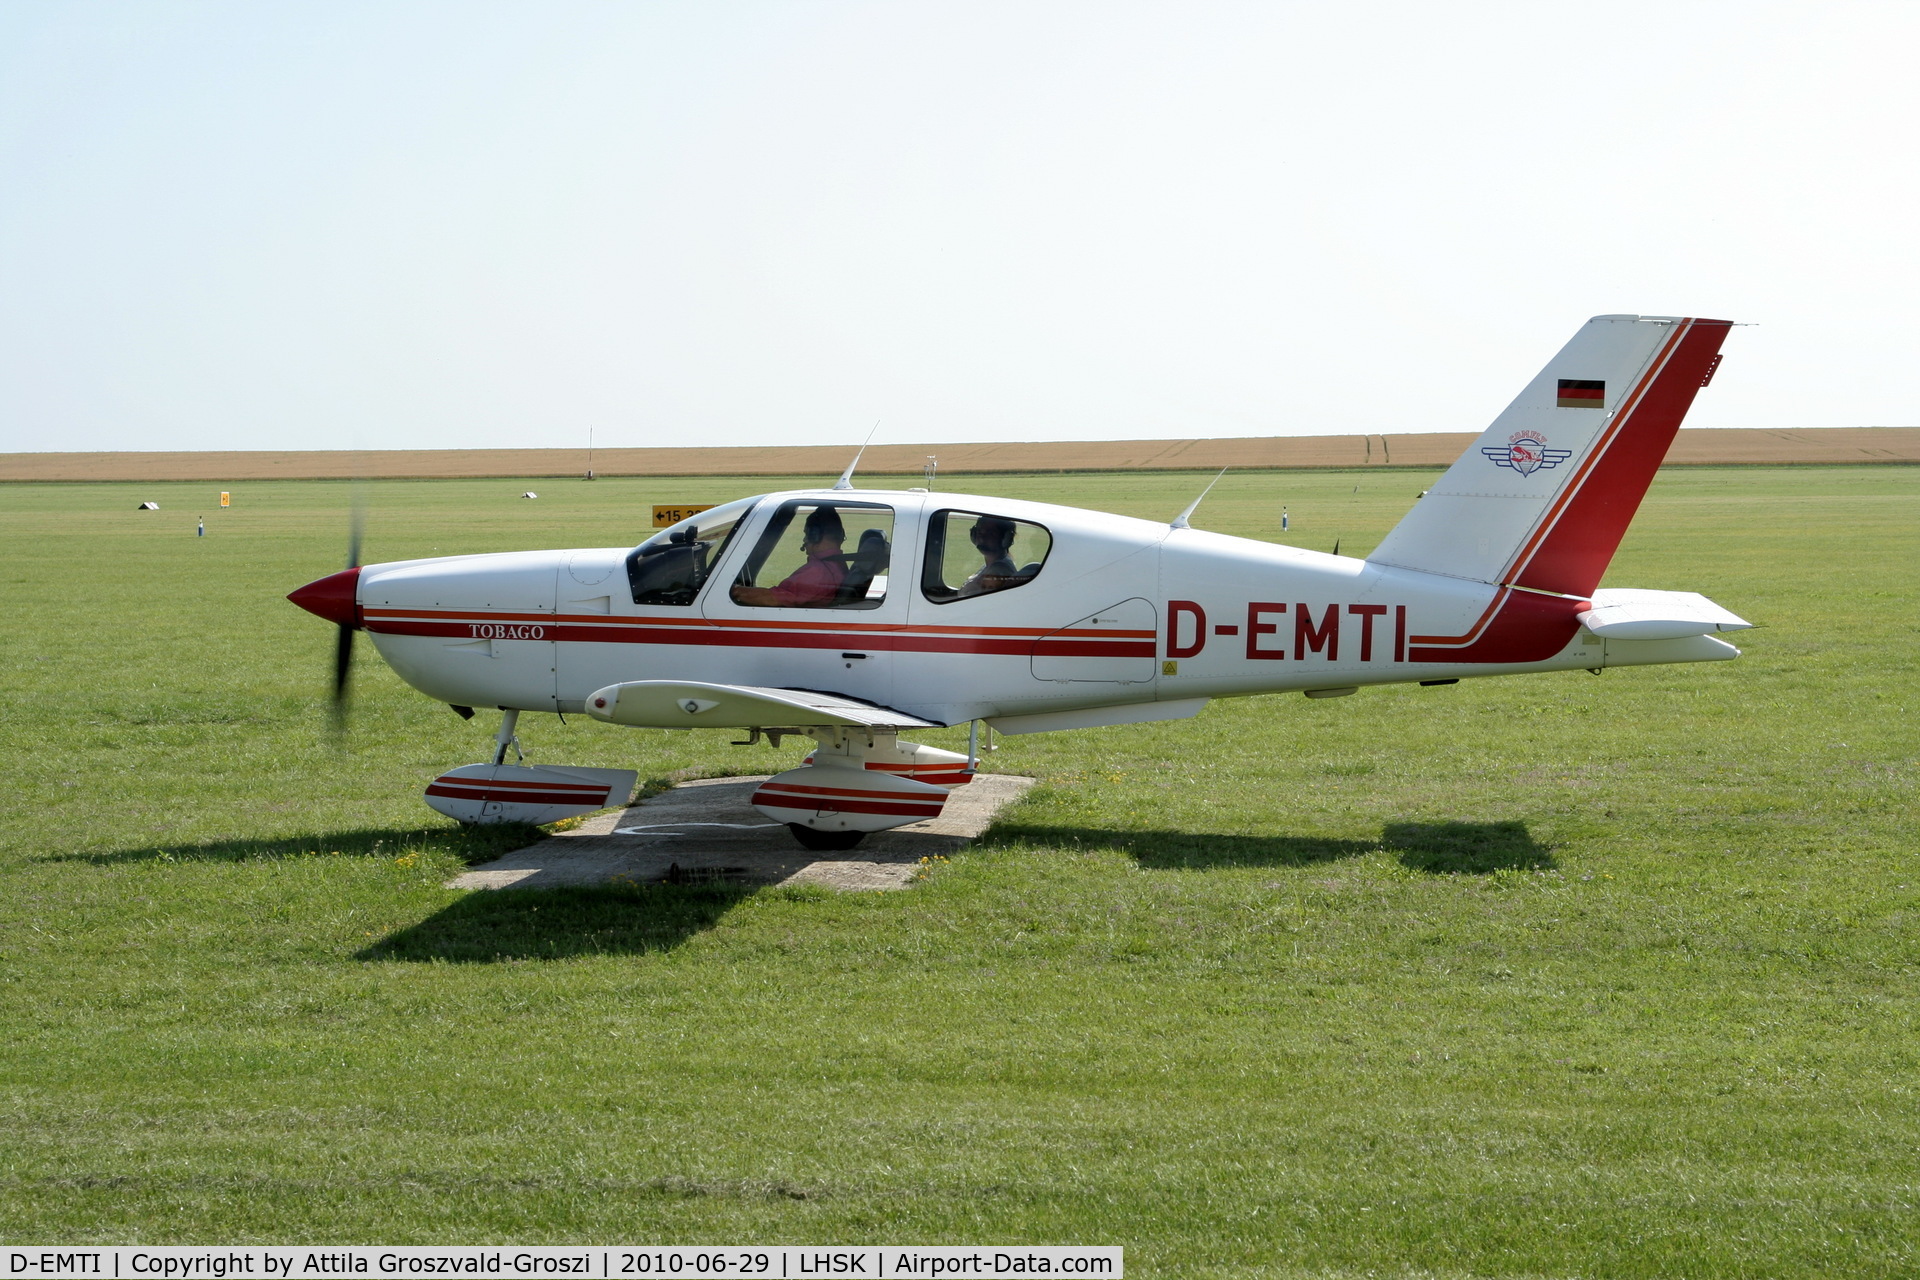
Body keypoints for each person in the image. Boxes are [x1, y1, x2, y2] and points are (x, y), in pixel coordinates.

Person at [732, 506, 847, 606]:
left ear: (814, 535)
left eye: (806, 534)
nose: (804, 539)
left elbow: (773, 599)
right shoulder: (837, 565)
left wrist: (735, 591)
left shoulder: (817, 571)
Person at [956, 515, 1018, 597]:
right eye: (980, 531)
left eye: (991, 533)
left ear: (1006, 539)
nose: (982, 537)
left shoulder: (998, 573)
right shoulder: (990, 566)